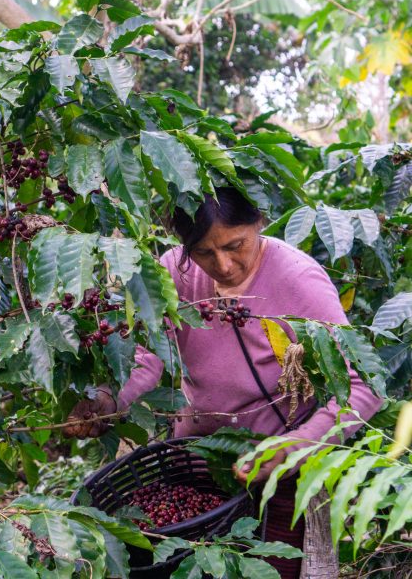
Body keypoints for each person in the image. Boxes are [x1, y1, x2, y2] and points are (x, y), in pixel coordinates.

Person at [64, 188, 383, 578]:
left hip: (276, 479)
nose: (225, 265)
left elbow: (363, 385)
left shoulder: (297, 280)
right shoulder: (175, 273)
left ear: (259, 223)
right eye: (203, 253)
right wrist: (108, 402)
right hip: (196, 462)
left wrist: (297, 445)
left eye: (236, 246)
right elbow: (149, 358)